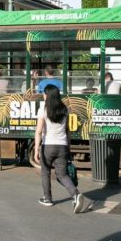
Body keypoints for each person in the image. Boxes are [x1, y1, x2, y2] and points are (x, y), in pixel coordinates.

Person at [34, 84, 91, 213]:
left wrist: (36, 149)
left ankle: (47, 198)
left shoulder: (43, 109)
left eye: (44, 93)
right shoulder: (64, 109)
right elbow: (67, 131)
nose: (43, 96)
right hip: (62, 146)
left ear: (47, 95)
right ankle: (76, 195)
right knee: (62, 174)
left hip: (48, 146)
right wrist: (68, 148)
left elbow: (38, 132)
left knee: (45, 172)